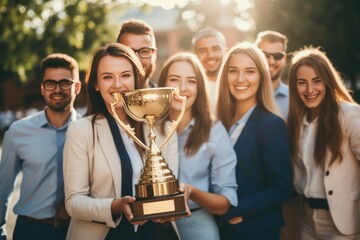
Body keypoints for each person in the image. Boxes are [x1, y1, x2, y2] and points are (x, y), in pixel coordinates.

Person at [63, 43, 181, 240]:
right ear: (96, 84)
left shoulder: (162, 128)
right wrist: (114, 206)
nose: (118, 84)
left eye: (125, 75)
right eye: (107, 77)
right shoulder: (80, 131)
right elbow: (73, 203)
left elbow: (170, 189)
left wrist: (168, 207)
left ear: (136, 79)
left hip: (155, 234)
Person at [0, 53, 82, 240]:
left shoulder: (91, 132)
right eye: (50, 83)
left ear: (76, 87)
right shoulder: (18, 132)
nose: (57, 89)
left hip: (77, 230)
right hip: (30, 230)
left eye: (65, 83)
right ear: (42, 88)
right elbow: (3, 188)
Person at [157, 52, 238, 240]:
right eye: (174, 79)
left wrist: (191, 191)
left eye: (191, 81)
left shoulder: (214, 131)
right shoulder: (146, 127)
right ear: (163, 84)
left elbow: (225, 202)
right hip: (149, 224)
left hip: (195, 222)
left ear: (200, 87)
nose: (182, 88)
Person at [217, 42, 292, 240]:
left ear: (261, 77)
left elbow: (282, 189)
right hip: (221, 231)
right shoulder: (219, 123)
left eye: (249, 71)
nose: (240, 79)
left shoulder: (271, 124)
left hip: (256, 231)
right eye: (233, 71)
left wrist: (234, 210)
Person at [287, 47, 360, 239]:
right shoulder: (296, 121)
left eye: (317, 81)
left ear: (327, 81)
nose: (310, 90)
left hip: (344, 222)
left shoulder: (348, 115)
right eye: (302, 83)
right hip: (307, 219)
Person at [192, 27, 227, 113]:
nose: (210, 55)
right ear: (195, 54)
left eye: (215, 49)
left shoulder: (236, 84)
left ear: (225, 51)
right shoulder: (190, 88)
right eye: (203, 51)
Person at [255, 30, 289, 119]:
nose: (271, 61)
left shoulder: (294, 98)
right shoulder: (242, 94)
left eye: (277, 56)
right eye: (264, 55)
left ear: (284, 59)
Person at [117, 19, 157, 88]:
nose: (136, 59)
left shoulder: (167, 98)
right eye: (129, 51)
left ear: (155, 54)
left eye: (144, 51)